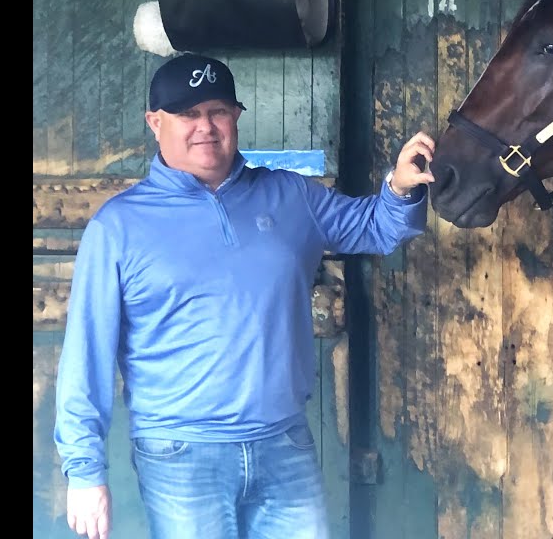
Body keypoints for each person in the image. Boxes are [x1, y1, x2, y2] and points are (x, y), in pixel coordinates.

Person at [54, 52, 435, 539]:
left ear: (235, 116)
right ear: (155, 122)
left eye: (217, 111)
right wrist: (84, 471)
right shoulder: (119, 226)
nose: (205, 127)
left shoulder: (292, 197)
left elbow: (375, 229)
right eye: (187, 114)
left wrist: (400, 187)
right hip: (180, 453)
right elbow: (86, 352)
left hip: (283, 441)